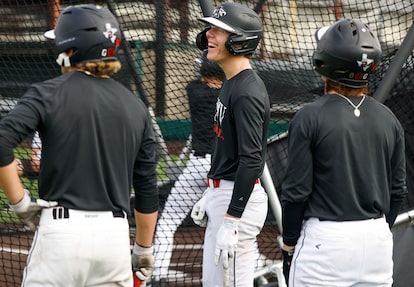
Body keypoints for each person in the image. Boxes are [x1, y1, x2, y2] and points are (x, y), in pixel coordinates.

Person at [0, 5, 158, 287]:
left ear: (71, 49)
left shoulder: (47, 92)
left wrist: (21, 204)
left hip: (61, 235)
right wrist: (143, 249)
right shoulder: (136, 106)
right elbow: (147, 187)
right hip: (114, 240)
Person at [280, 18, 407, 286]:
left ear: (324, 62)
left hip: (326, 243)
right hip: (377, 243)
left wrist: (290, 244)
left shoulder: (309, 116)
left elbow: (296, 193)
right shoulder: (388, 118)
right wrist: (379, 232)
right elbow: (398, 192)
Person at [191, 2, 271, 286]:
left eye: (219, 30)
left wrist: (231, 219)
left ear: (239, 42)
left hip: (239, 204)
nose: (209, 35)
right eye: (210, 28)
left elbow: (252, 160)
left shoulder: (247, 91)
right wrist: (210, 195)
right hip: (224, 195)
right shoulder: (231, 82)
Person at [153, 50, 224, 285]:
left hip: (198, 166)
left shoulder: (194, 90)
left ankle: (158, 277)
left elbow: (203, 77)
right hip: (224, 168)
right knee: (229, 227)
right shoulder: (232, 93)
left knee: (167, 223)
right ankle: (252, 270)